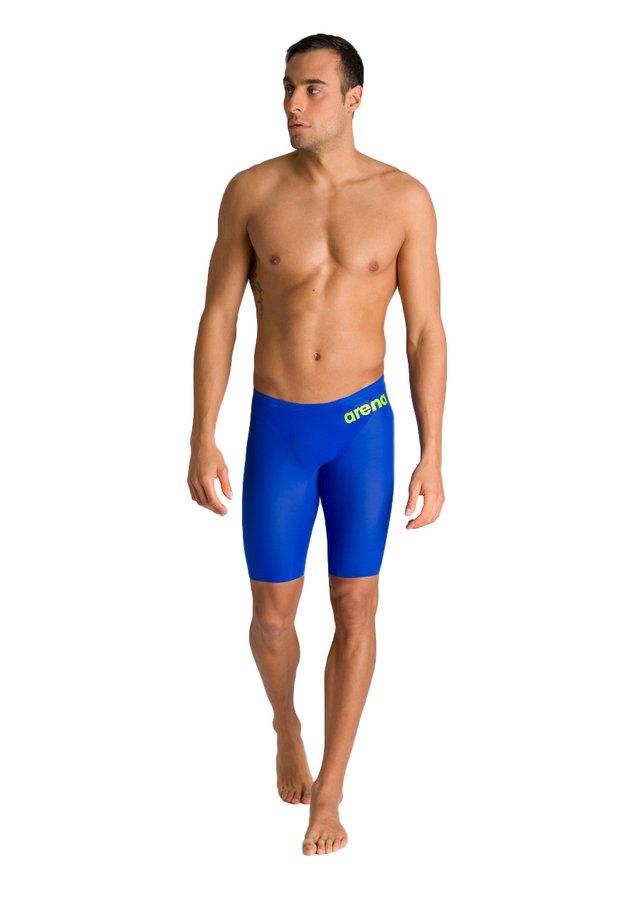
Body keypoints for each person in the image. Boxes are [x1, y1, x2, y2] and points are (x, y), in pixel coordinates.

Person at [187, 32, 446, 856]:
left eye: (312, 90)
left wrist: (433, 453)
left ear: (353, 99)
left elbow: (426, 333)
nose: (293, 104)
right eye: (288, 88)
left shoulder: (404, 198)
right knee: (271, 619)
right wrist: (202, 433)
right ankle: (285, 725)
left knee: (357, 605)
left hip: (363, 428)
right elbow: (219, 316)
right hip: (280, 430)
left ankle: (331, 787)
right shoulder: (252, 192)